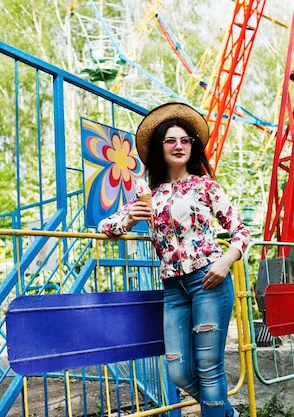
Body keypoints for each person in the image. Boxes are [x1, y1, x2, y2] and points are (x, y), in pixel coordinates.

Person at [97, 102, 250, 417]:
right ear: (159, 147)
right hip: (172, 289)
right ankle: (226, 412)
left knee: (209, 369)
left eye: (185, 140)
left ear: (192, 147)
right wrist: (126, 222)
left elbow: (241, 233)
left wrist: (225, 262)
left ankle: (218, 411)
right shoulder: (148, 196)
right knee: (179, 371)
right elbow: (106, 227)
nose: (178, 146)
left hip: (209, 280)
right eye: (171, 140)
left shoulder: (206, 186)